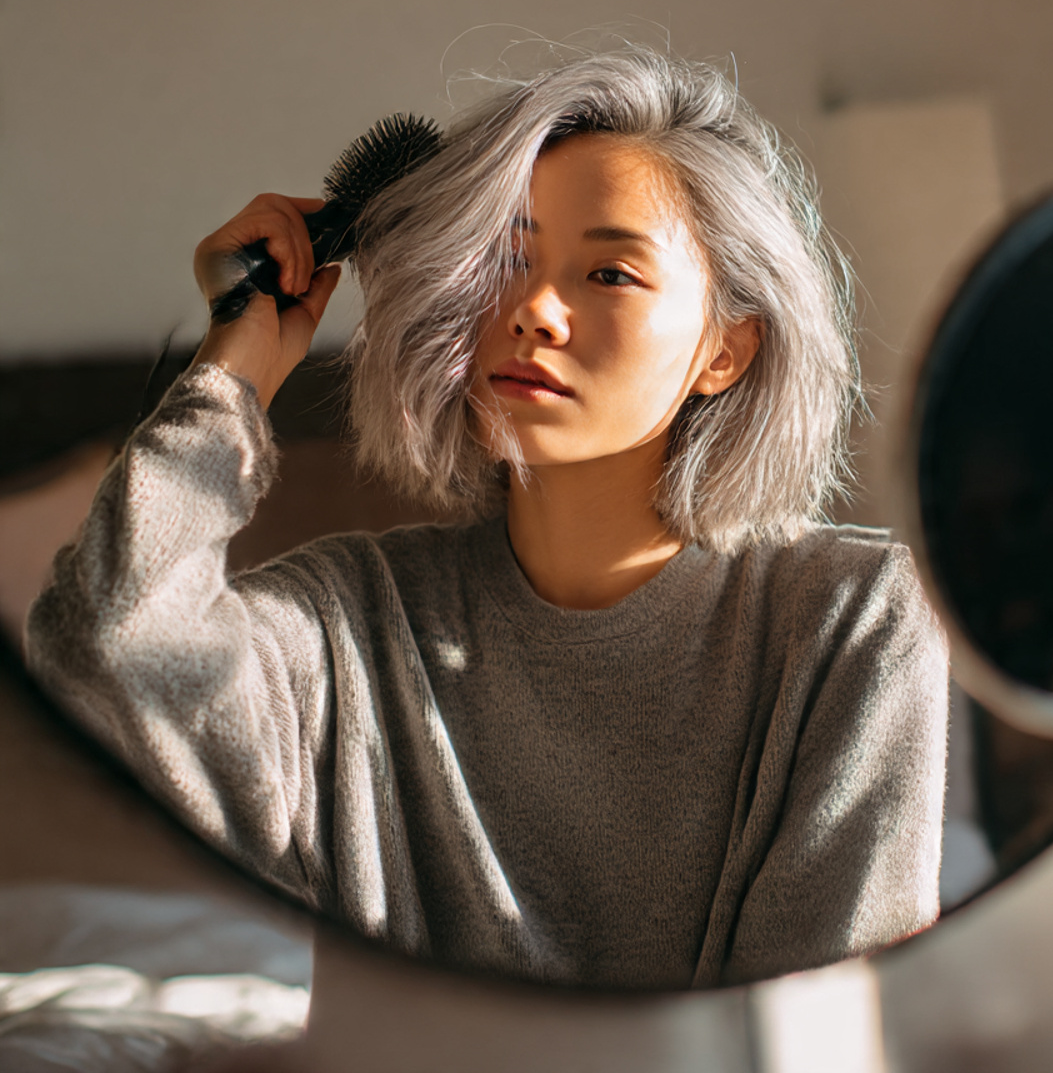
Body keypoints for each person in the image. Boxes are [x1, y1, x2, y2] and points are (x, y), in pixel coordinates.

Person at [24, 48, 947, 990]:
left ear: (726, 348)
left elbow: (828, 1020)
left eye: (611, 274)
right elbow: (106, 644)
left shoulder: (849, 620)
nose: (535, 310)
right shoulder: (350, 627)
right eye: (508, 259)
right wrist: (237, 364)